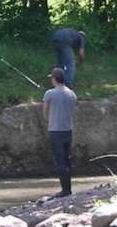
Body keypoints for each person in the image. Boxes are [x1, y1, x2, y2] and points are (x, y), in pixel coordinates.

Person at [42, 67, 77, 198]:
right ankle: (68, 188)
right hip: (68, 130)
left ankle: (65, 190)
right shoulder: (72, 94)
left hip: (55, 131)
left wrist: (49, 120)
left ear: (54, 79)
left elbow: (45, 110)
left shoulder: (49, 93)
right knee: (67, 160)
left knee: (60, 161)